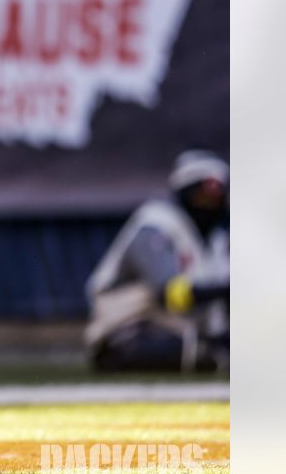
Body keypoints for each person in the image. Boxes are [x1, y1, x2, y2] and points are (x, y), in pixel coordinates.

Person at [84, 149, 230, 373]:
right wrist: (225, 289)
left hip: (185, 330)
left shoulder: (218, 238)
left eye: (215, 198)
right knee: (191, 353)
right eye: (202, 196)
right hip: (129, 328)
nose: (208, 204)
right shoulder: (156, 225)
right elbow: (170, 294)